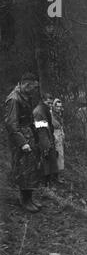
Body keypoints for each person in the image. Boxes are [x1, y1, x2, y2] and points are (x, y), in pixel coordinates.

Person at [4, 73, 42, 212]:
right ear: (26, 85)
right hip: (20, 139)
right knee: (23, 170)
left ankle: (29, 198)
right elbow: (11, 124)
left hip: (29, 135)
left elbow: (29, 119)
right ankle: (24, 200)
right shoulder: (13, 99)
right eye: (33, 87)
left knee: (31, 169)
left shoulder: (25, 96)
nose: (34, 91)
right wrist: (22, 143)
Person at [33, 94, 59, 188]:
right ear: (43, 100)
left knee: (50, 163)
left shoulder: (45, 110)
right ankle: (44, 187)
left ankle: (48, 185)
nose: (51, 105)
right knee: (45, 164)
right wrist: (46, 146)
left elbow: (48, 127)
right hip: (44, 141)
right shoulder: (39, 112)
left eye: (52, 103)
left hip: (48, 139)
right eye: (49, 103)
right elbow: (41, 131)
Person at [51, 98, 65, 183]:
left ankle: (57, 175)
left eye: (60, 107)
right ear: (54, 106)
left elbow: (61, 125)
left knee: (60, 156)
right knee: (57, 155)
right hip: (54, 135)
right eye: (57, 106)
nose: (59, 108)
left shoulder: (59, 114)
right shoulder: (51, 114)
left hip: (59, 135)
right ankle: (55, 176)